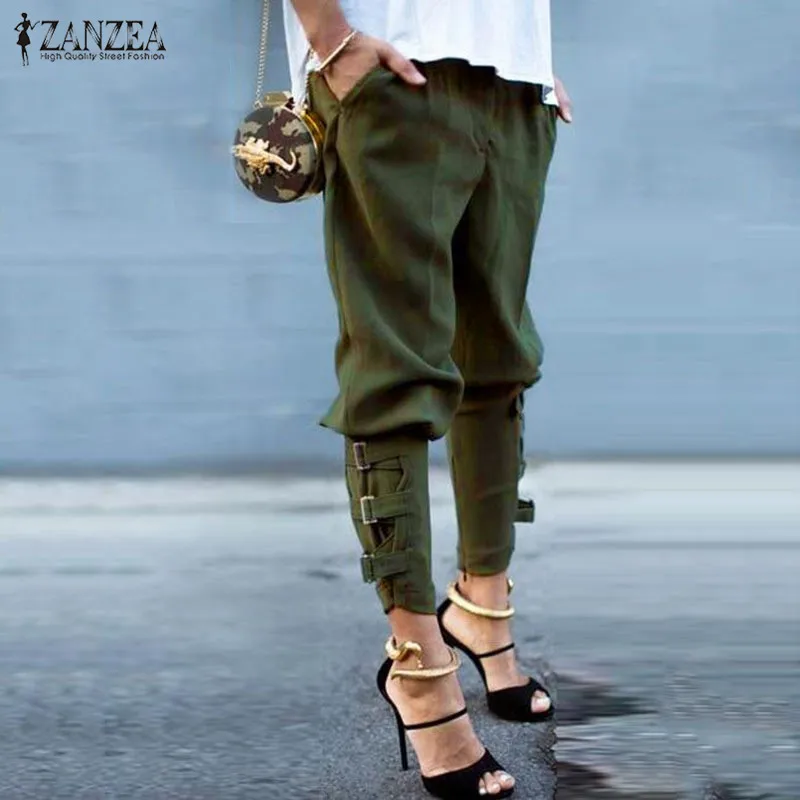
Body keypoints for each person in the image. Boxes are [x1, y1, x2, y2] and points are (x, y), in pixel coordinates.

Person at [283, 1, 572, 797]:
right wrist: (331, 39)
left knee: (498, 360)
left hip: (514, 82)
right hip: (390, 68)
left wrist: (532, 59)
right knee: (396, 372)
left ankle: (483, 609)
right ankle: (417, 669)